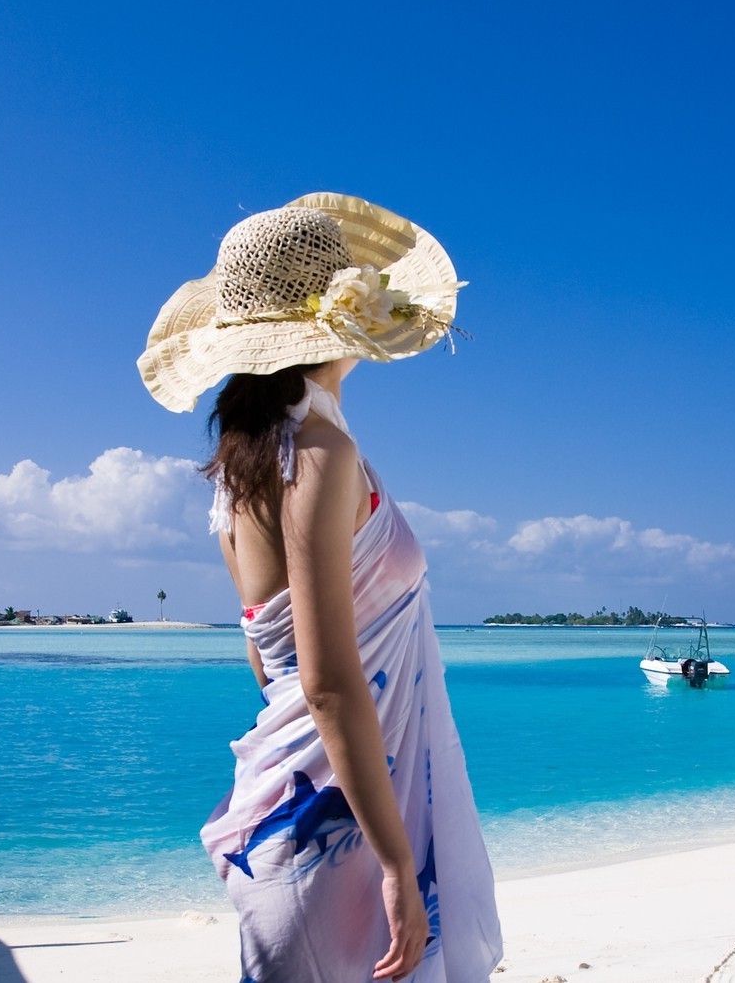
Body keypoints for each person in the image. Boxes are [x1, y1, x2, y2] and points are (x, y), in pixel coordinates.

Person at [137, 193, 503, 982]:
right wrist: (397, 864)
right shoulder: (321, 452)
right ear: (344, 319)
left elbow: (268, 665)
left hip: (294, 810)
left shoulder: (240, 468)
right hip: (343, 837)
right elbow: (330, 684)